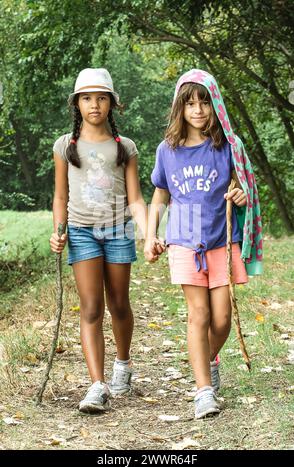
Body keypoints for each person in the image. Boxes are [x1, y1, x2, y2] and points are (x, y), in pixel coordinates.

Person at [144, 69, 263, 419]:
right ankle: (203, 391)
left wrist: (240, 195)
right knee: (199, 314)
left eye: (204, 102)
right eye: (190, 103)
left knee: (221, 318)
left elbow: (244, 189)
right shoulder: (168, 150)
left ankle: (207, 359)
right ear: (179, 108)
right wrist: (151, 234)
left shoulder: (228, 147)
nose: (197, 110)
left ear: (215, 105)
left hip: (223, 241)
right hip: (184, 241)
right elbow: (160, 194)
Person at [50, 68, 147, 413]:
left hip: (118, 229)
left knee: (119, 303)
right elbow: (60, 196)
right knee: (91, 307)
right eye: (87, 98)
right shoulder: (66, 145)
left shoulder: (125, 147)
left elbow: (135, 198)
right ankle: (97, 384)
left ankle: (123, 364)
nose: (95, 104)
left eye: (101, 97)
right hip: (80, 231)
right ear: (77, 104)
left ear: (112, 104)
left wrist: (148, 231)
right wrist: (58, 230)